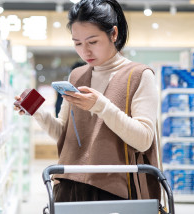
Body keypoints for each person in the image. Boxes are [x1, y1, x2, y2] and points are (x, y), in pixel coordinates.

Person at [14, 0, 160, 202]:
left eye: (92, 42)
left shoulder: (139, 75)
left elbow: (144, 140)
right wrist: (36, 111)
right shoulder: (77, 76)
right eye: (77, 43)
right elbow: (63, 135)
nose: (85, 52)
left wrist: (100, 106)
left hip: (116, 190)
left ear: (114, 34)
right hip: (69, 186)